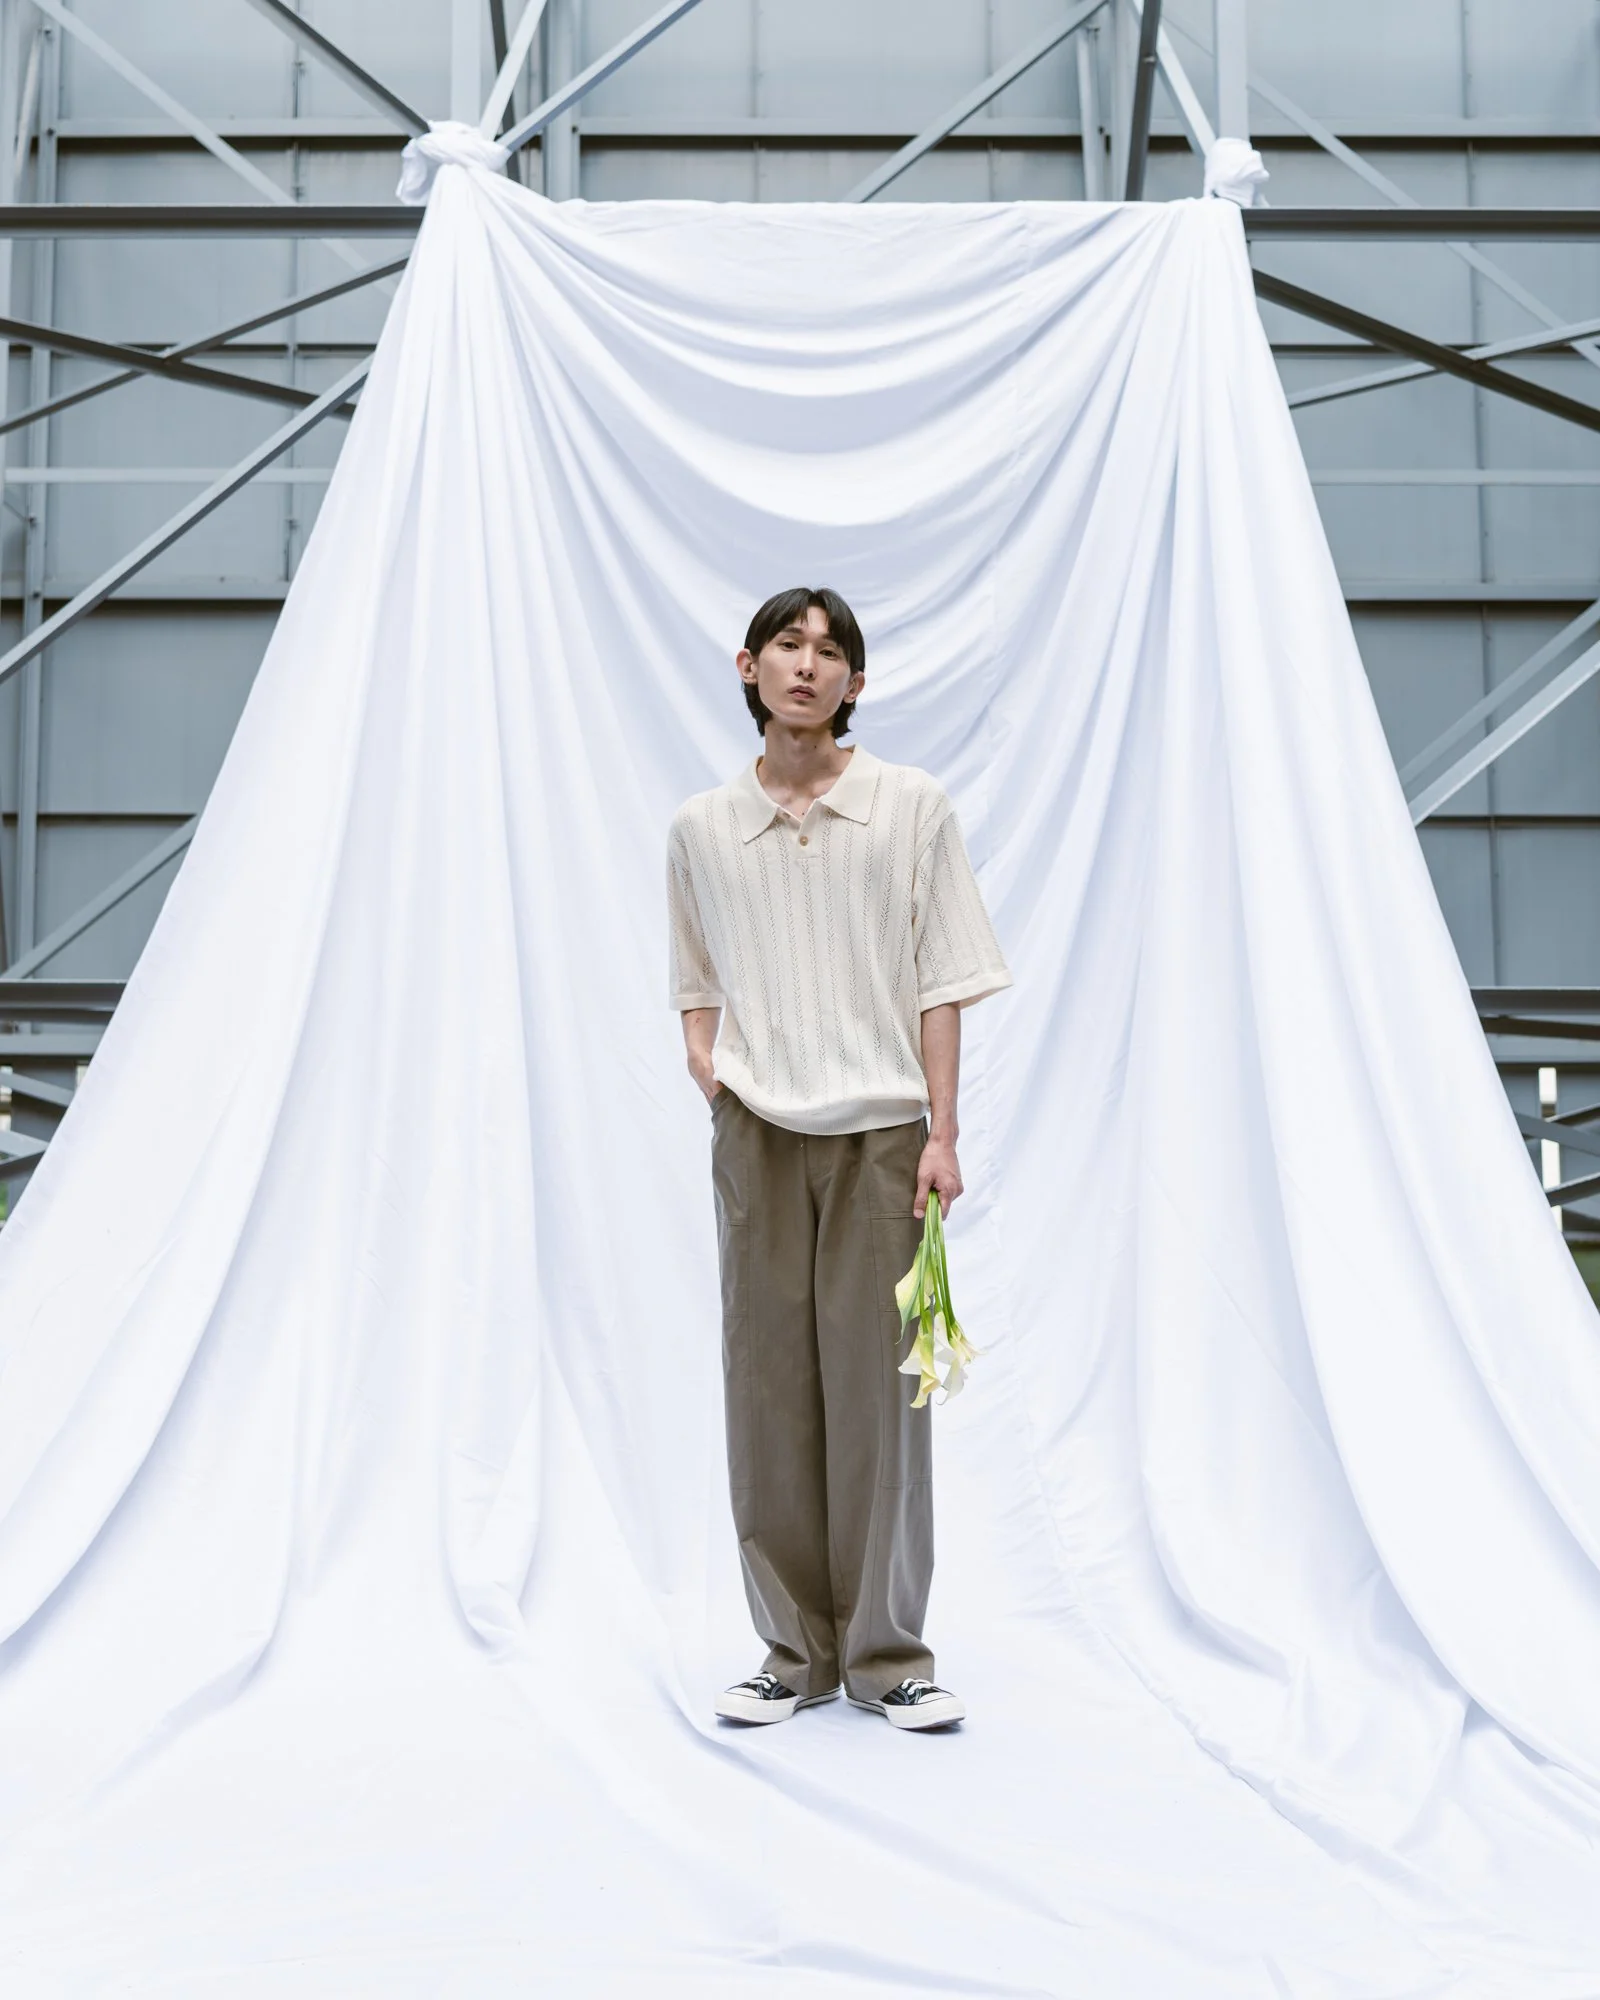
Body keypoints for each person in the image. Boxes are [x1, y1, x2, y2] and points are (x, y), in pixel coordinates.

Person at [665, 587, 1012, 1732]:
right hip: (756, 1132)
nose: (807, 665)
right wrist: (717, 1075)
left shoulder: (908, 807)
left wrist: (942, 1135)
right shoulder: (699, 829)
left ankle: (886, 1653)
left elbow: (943, 978)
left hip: (881, 1134)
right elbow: (695, 984)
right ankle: (791, 1650)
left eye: (830, 652)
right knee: (765, 1392)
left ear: (854, 683)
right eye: (787, 645)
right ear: (749, 665)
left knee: (879, 1396)